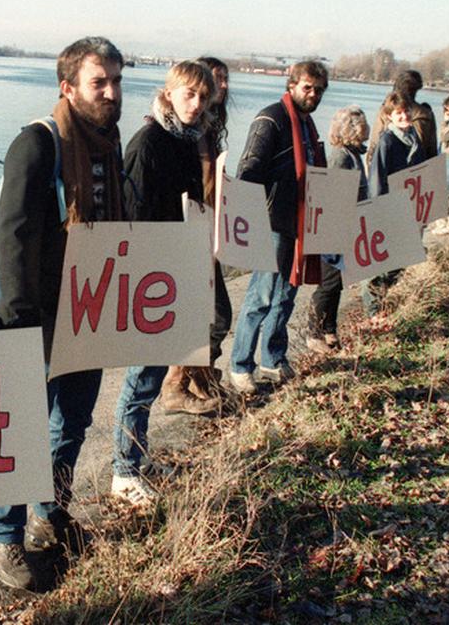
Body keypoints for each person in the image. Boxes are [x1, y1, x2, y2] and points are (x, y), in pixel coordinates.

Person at [0, 37, 127, 590]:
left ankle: (51, 511)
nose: (112, 92)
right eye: (100, 82)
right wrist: (19, 321)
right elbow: (14, 235)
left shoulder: (108, 145)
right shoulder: (37, 144)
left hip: (89, 310)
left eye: (116, 81)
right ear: (67, 87)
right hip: (39, 315)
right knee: (20, 430)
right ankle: (5, 537)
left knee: (72, 422)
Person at [111, 60, 213, 507]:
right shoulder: (149, 142)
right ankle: (123, 471)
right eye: (188, 94)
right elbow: (135, 219)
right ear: (169, 93)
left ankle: (137, 455)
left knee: (151, 377)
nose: (196, 104)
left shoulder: (186, 141)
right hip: (150, 276)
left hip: (173, 268)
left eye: (203, 97)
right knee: (140, 376)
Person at [228, 61, 328, 393]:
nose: (313, 94)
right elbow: (249, 168)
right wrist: (246, 218)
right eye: (307, 87)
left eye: (319, 89)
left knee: (287, 295)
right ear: (292, 85)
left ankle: (272, 359)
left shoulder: (308, 125)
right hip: (271, 220)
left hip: (300, 220)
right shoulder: (271, 118)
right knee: (261, 295)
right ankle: (240, 365)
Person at [155, 55, 231, 416]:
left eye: (214, 88)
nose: (214, 93)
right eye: (197, 91)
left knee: (214, 316)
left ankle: (197, 378)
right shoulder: (175, 137)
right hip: (184, 238)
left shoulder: (204, 131)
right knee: (211, 315)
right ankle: (177, 384)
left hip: (202, 232)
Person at [307, 106, 369, 352]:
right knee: (328, 282)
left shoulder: (353, 154)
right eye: (362, 124)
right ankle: (315, 332)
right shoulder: (341, 157)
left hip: (346, 225)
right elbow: (331, 195)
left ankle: (330, 329)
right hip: (332, 227)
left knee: (337, 282)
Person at [364, 92, 430, 314]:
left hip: (409, 207)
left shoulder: (414, 137)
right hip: (390, 207)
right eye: (398, 113)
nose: (404, 116)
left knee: (400, 261)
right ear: (389, 116)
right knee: (383, 264)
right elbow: (377, 179)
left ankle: (390, 305)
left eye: (406, 111)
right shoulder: (387, 141)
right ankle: (374, 311)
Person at [394, 69, 440, 160]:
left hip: (391, 167)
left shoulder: (387, 111)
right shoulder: (426, 114)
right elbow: (432, 149)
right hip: (418, 169)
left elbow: (375, 143)